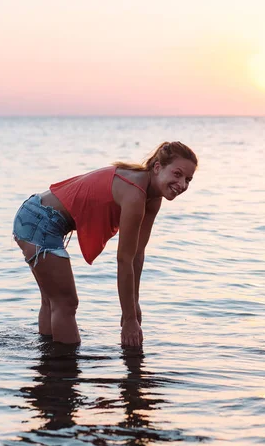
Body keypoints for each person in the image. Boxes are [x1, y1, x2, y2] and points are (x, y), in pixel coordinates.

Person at [13, 141, 198, 347]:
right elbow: (124, 259)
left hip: (37, 215)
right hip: (39, 220)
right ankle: (65, 372)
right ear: (157, 168)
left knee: (53, 301)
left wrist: (134, 304)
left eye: (188, 179)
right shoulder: (134, 193)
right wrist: (128, 319)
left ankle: (50, 364)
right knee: (65, 303)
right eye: (177, 174)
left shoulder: (152, 197)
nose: (182, 185)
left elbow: (137, 253)